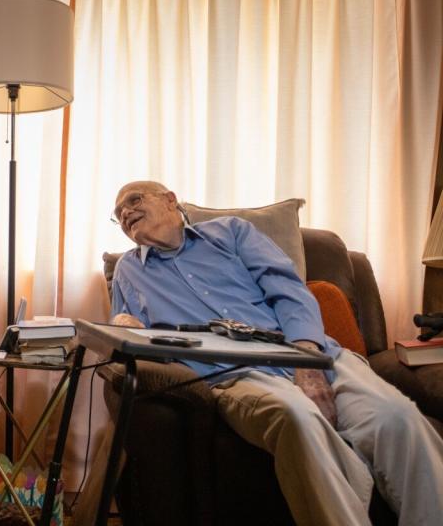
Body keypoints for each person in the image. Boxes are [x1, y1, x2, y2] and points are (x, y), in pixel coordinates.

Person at [86, 180, 443, 526]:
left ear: (169, 199)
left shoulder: (231, 233)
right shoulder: (129, 270)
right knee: (298, 418)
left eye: (134, 200)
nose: (126, 212)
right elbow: (133, 336)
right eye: (119, 213)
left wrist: (307, 357)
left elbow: (288, 291)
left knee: (398, 418)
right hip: (233, 373)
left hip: (306, 351)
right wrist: (122, 322)